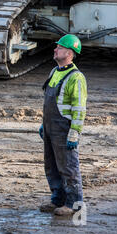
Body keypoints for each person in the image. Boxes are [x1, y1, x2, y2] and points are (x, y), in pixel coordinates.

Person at [38, 34, 87, 216]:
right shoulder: (54, 72)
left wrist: (75, 132)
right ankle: (57, 200)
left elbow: (79, 109)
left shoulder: (76, 77)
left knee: (68, 168)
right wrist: (44, 125)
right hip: (51, 127)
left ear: (69, 53)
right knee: (51, 166)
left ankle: (74, 204)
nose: (55, 49)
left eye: (59, 47)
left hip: (64, 129)